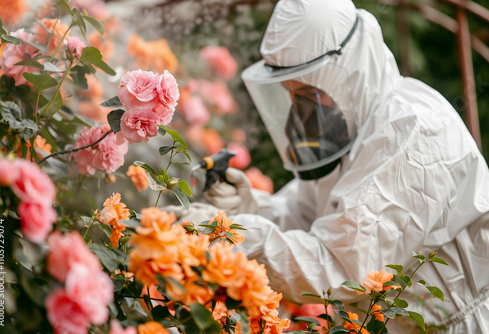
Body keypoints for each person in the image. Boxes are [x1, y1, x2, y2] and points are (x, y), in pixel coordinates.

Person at [169, 0, 489, 332]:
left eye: (308, 92)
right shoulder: (356, 125)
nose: (300, 110)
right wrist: (249, 207)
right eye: (291, 94)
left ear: (345, 72)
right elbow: (311, 217)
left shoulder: (410, 133)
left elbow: (339, 269)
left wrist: (227, 234)